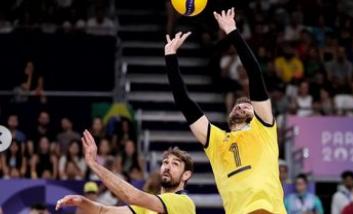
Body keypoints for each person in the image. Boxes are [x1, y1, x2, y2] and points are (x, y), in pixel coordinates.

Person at [164, 8, 286, 214]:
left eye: (247, 105)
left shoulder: (264, 129)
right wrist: (170, 57)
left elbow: (255, 73)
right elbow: (184, 102)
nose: (240, 105)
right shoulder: (216, 141)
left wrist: (232, 33)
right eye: (238, 104)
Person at [56, 131, 195, 214]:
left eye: (175, 164)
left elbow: (132, 196)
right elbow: (104, 212)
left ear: (186, 175)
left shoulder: (183, 202)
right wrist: (82, 202)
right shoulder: (150, 207)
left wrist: (93, 164)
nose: (167, 167)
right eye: (165, 162)